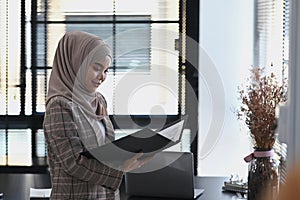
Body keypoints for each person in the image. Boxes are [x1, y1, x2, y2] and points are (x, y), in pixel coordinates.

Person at [43, 31, 150, 199]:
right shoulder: (59, 106)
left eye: (106, 70)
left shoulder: (98, 100)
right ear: (76, 64)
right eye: (96, 68)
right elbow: (74, 163)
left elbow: (105, 150)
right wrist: (121, 168)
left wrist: (131, 153)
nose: (102, 77)